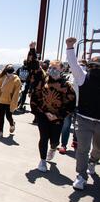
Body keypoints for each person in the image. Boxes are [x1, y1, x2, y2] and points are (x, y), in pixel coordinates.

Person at [27, 41, 76, 173]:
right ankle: (42, 160)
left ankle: (53, 148)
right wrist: (32, 49)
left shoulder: (67, 86)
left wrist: (58, 115)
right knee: (43, 137)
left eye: (55, 68)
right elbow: (34, 66)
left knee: (54, 140)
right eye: (50, 67)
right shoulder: (43, 79)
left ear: (62, 70)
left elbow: (71, 104)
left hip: (57, 118)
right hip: (43, 113)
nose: (52, 70)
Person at [66, 37, 100, 190]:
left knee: (98, 148)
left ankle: (92, 162)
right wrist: (70, 47)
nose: (95, 68)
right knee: (82, 149)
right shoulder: (83, 77)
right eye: (92, 64)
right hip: (84, 119)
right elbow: (73, 64)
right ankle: (81, 176)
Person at [0, 65, 21, 138]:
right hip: (1, 100)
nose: (9, 74)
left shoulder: (17, 80)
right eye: (8, 73)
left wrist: (14, 103)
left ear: (13, 72)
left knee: (8, 116)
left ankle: (12, 124)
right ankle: (1, 131)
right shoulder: (2, 78)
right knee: (1, 116)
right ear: (6, 72)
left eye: (11, 73)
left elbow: (16, 93)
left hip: (10, 101)